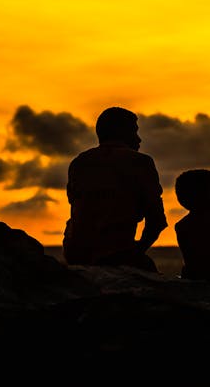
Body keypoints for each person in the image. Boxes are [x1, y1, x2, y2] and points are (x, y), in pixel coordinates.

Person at [63, 107, 168, 272]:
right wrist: (137, 251)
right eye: (134, 132)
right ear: (123, 133)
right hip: (115, 255)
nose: (139, 139)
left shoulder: (79, 163)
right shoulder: (140, 162)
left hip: (75, 254)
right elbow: (157, 221)